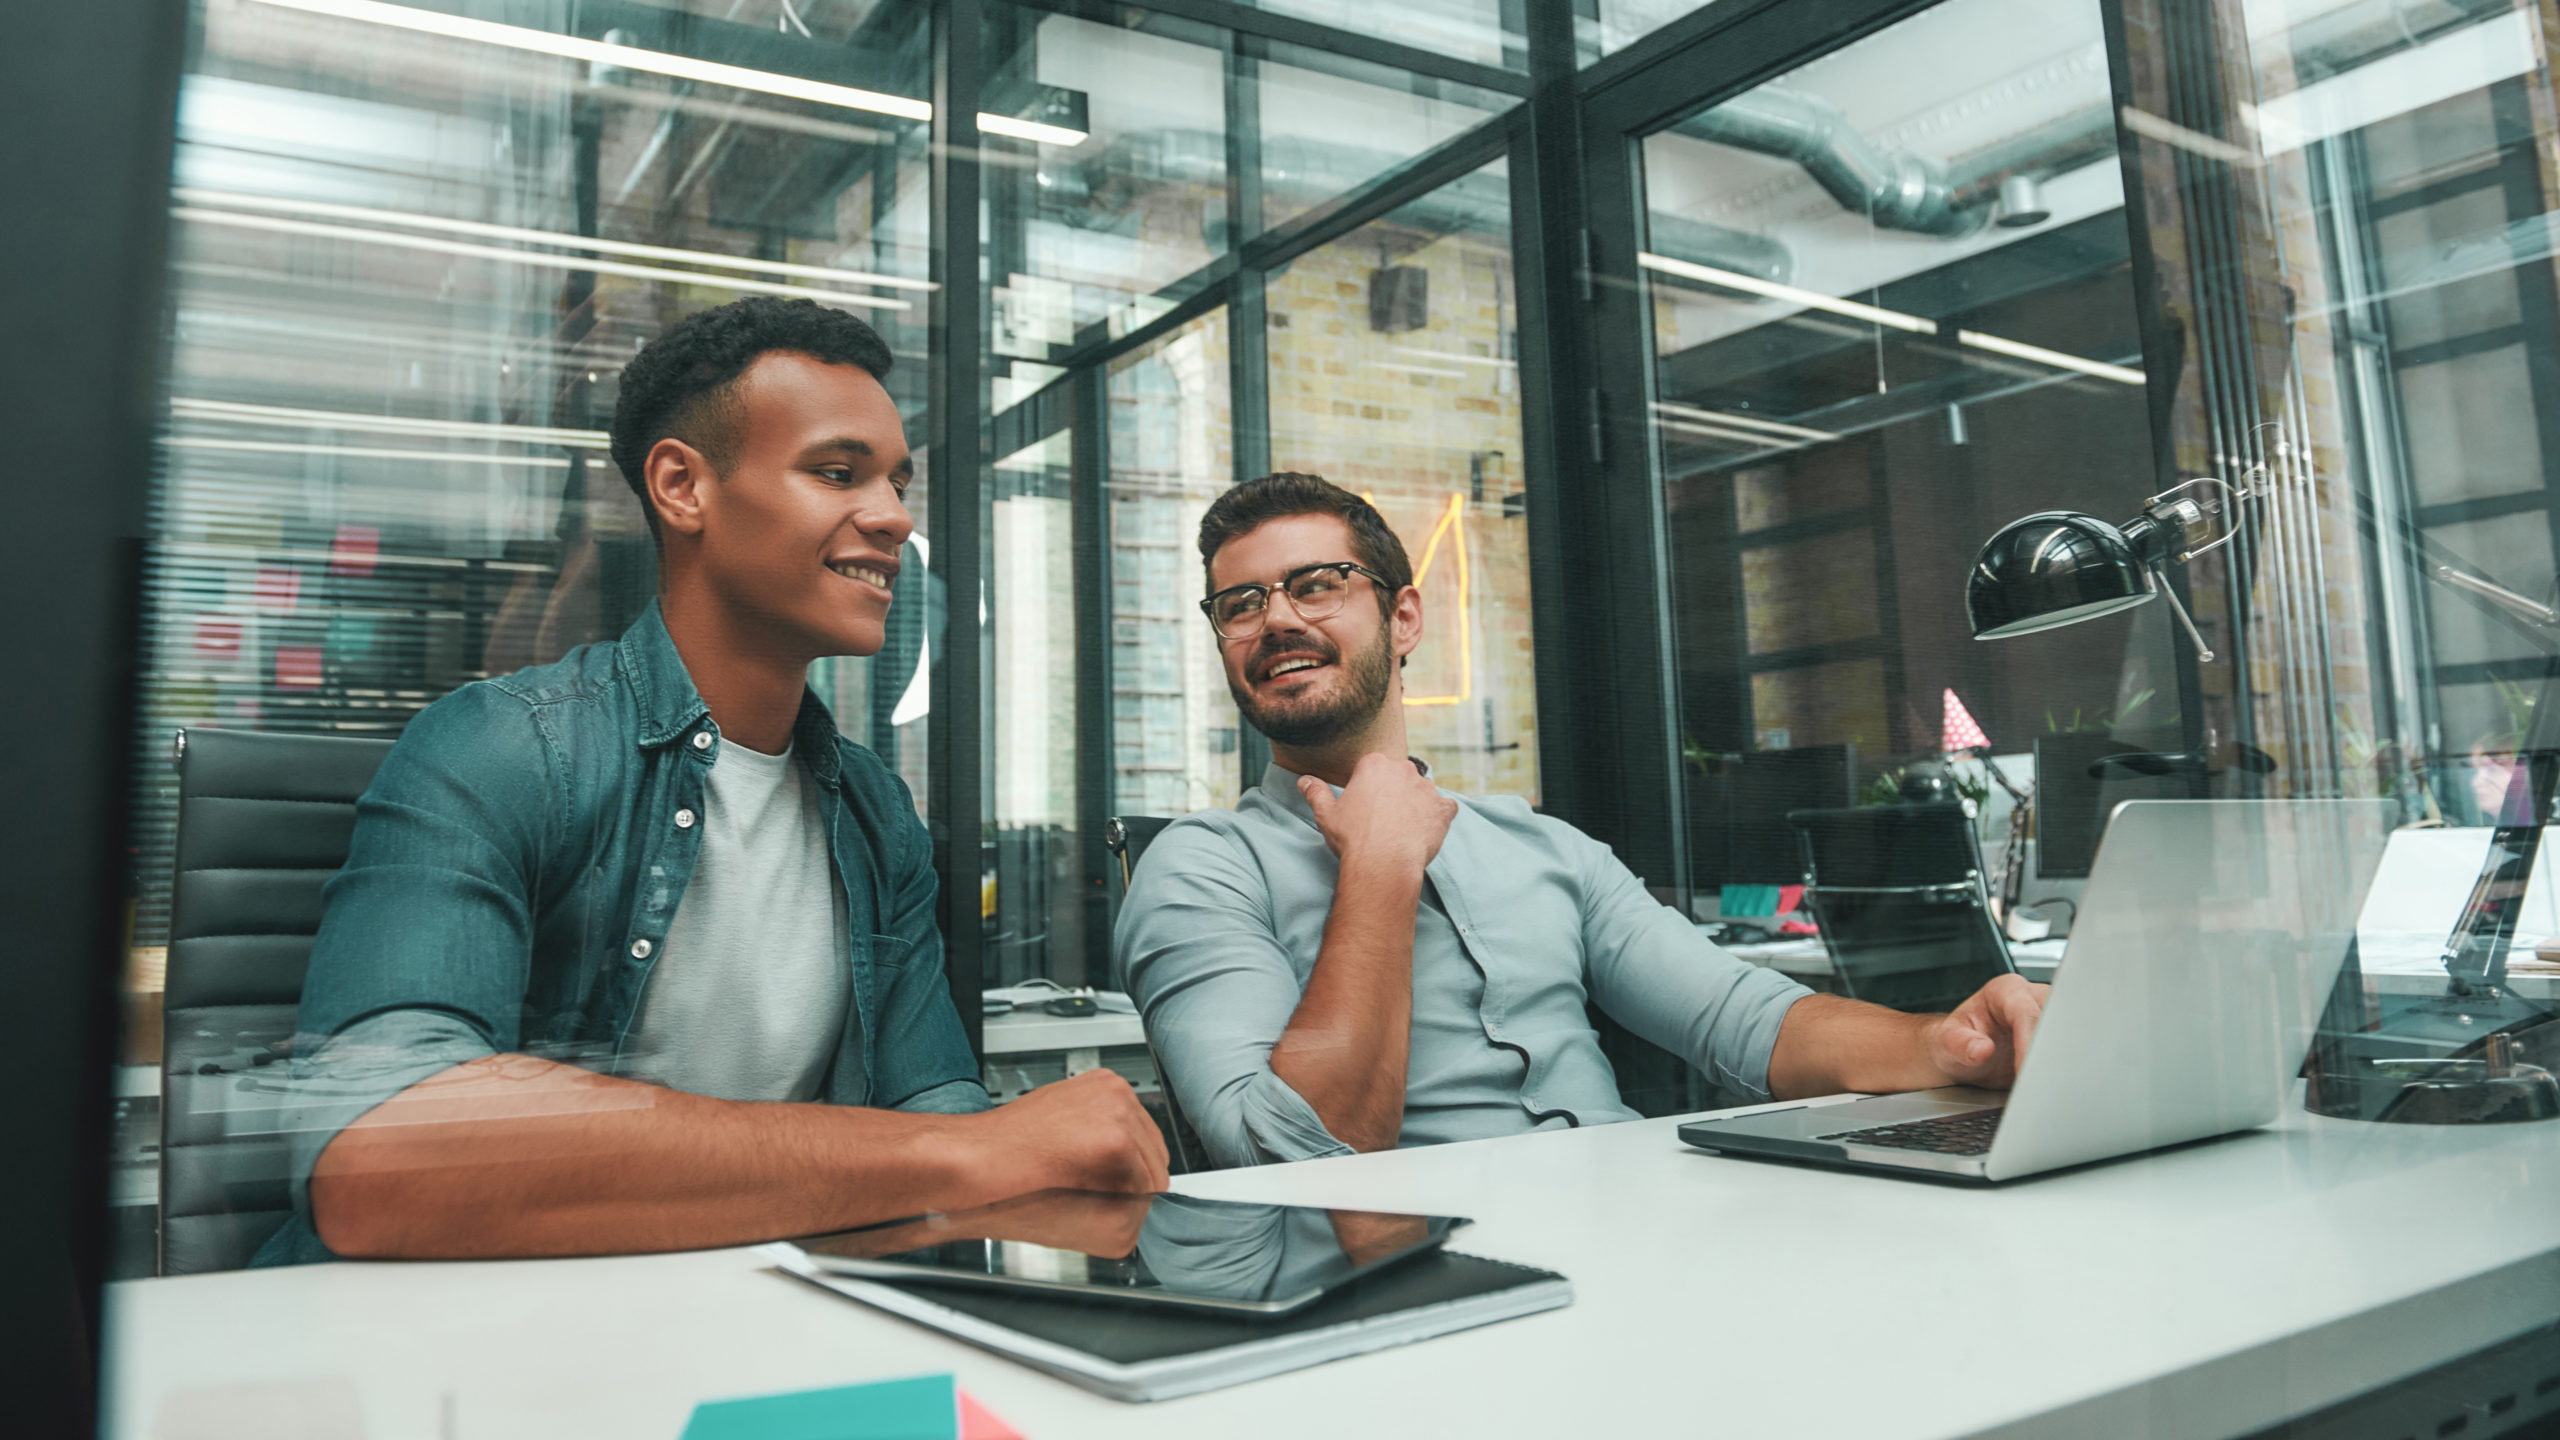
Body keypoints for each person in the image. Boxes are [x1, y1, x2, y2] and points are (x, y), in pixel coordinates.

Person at [255, 298, 1165, 1266]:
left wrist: (1009, 1170)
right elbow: (384, 1164)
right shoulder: (503, 747)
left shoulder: (870, 811)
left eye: (897, 482)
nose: (895, 518)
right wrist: (966, 1152)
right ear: (682, 487)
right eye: (837, 472)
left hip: (756, 1333)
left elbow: (931, 1106)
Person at [1115, 472, 2047, 1170]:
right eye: (1240, 603)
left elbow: (1743, 1019)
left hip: (1636, 1241)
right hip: (1409, 1289)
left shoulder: (1541, 846)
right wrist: (1380, 867)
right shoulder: (1201, 868)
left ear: (1403, 619)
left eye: (1316, 583)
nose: (1275, 617)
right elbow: (1287, 1157)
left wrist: (1944, 1043)